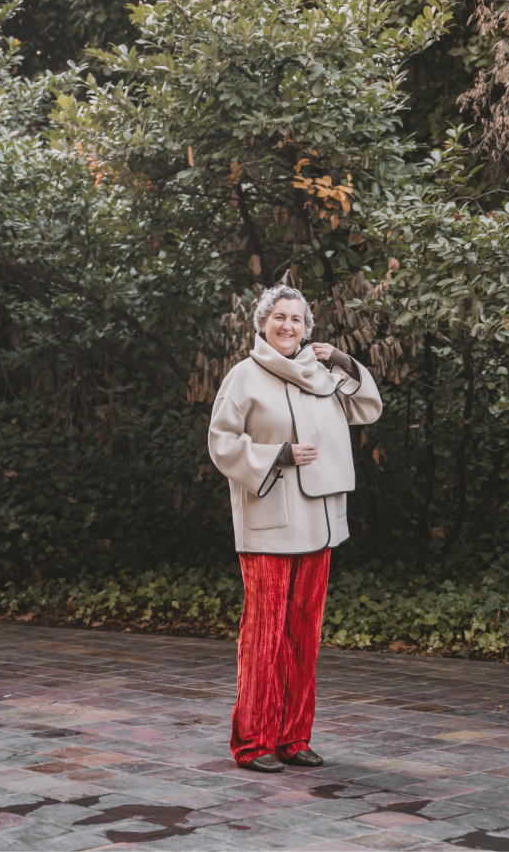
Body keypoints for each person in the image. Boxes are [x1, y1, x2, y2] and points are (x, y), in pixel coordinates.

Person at [208, 285, 382, 772]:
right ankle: (254, 742)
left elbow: (367, 408)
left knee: (304, 634)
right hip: (270, 523)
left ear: (308, 329)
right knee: (264, 635)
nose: (289, 326)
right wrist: (276, 456)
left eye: (298, 320)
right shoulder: (243, 377)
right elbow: (221, 442)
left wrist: (345, 360)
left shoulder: (322, 374)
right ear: (263, 323)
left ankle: (292, 737)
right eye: (280, 317)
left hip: (321, 523)